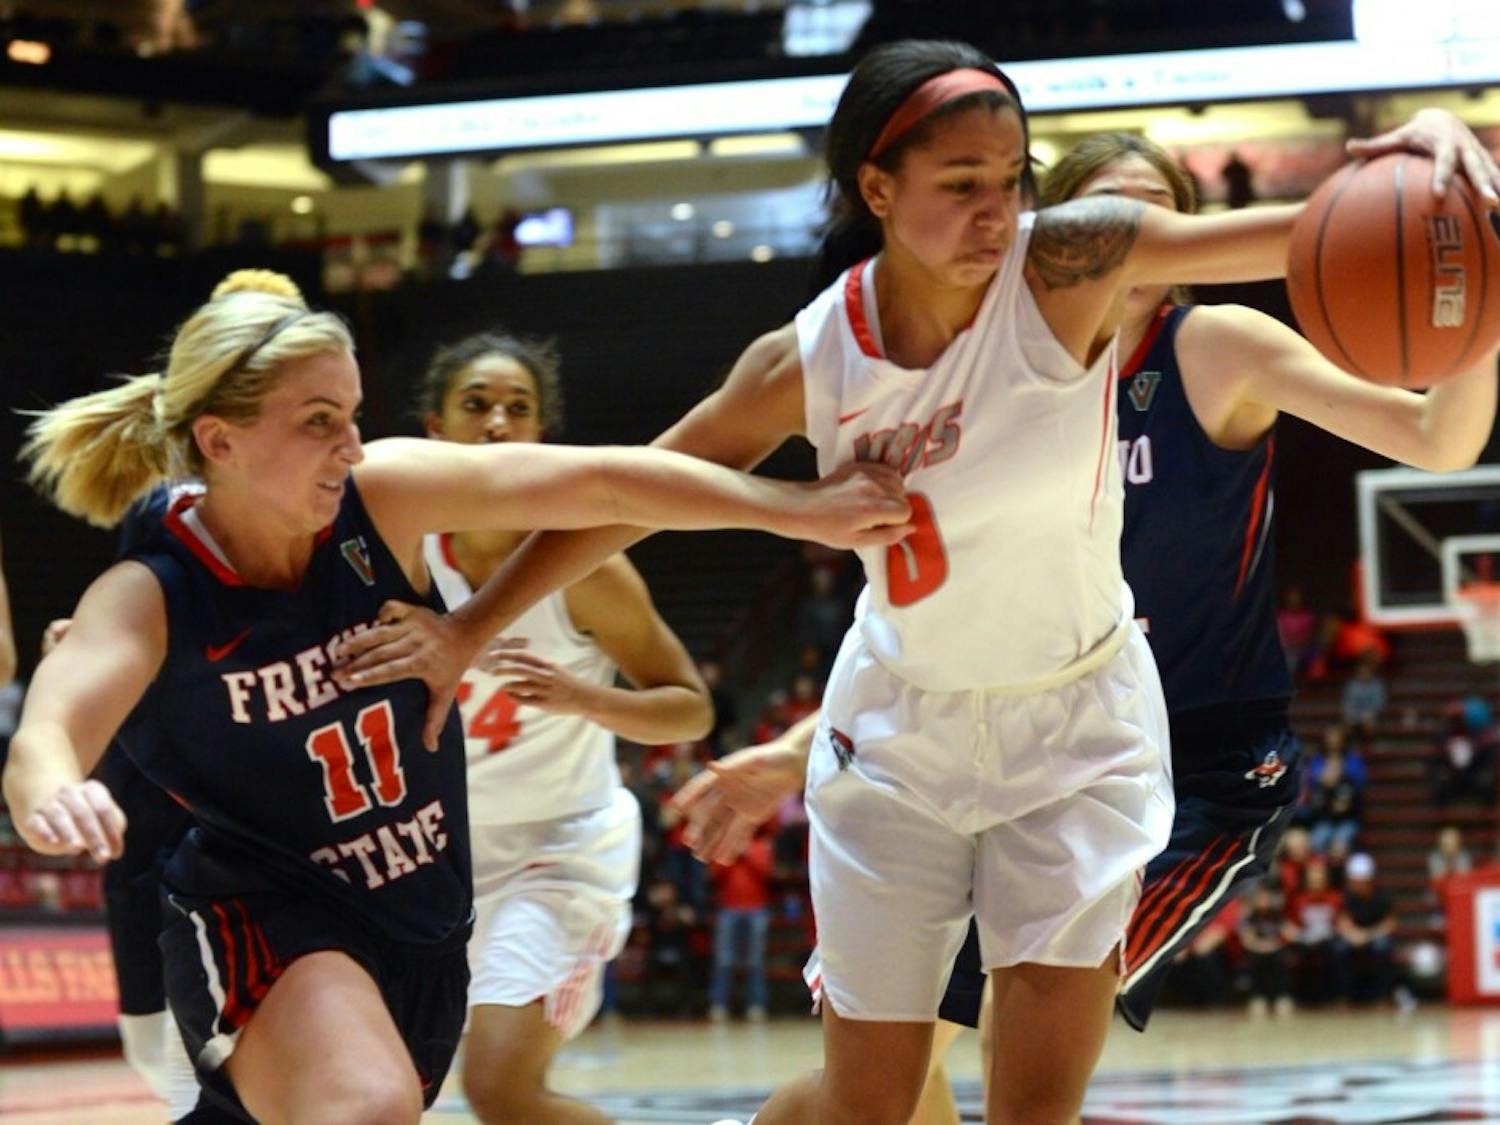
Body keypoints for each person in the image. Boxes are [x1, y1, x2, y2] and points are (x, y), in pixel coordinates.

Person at [332, 43, 1500, 1124]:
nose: (996, 210)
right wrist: (471, 626)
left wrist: (1438, 140)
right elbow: (631, 493)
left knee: (1032, 1100)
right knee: (869, 1105)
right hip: (901, 742)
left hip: (1080, 732)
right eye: (959, 183)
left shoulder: (1070, 262)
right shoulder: (808, 357)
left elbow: (1326, 231)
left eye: (1011, 177)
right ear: (877, 189)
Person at [675, 112, 1500, 1120]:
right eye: (1102, 211)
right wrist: (795, 747)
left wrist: (1477, 303)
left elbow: (1435, 438)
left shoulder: (1218, 348)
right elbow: (949, 618)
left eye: (1152, 216)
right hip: (974, 747)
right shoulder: (976, 369)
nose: (1128, 234)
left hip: (1192, 769)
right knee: (871, 1087)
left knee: (973, 1051)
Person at [2, 270, 908, 1124]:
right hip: (277, 904)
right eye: (320, 421)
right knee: (369, 1101)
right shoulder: (153, 588)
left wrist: (792, 505)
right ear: (219, 439)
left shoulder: (381, 494)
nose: (350, 445)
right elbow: (49, 723)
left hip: (428, 906)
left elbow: (605, 481)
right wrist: (52, 789)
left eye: (353, 416)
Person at [415, 330, 717, 1124]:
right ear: (434, 430)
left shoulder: (586, 566)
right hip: (434, 864)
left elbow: (690, 704)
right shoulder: (399, 562)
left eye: (519, 408)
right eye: (476, 405)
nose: (498, 423)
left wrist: (586, 700)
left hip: (562, 853)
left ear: (541, 435)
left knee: (501, 1089)